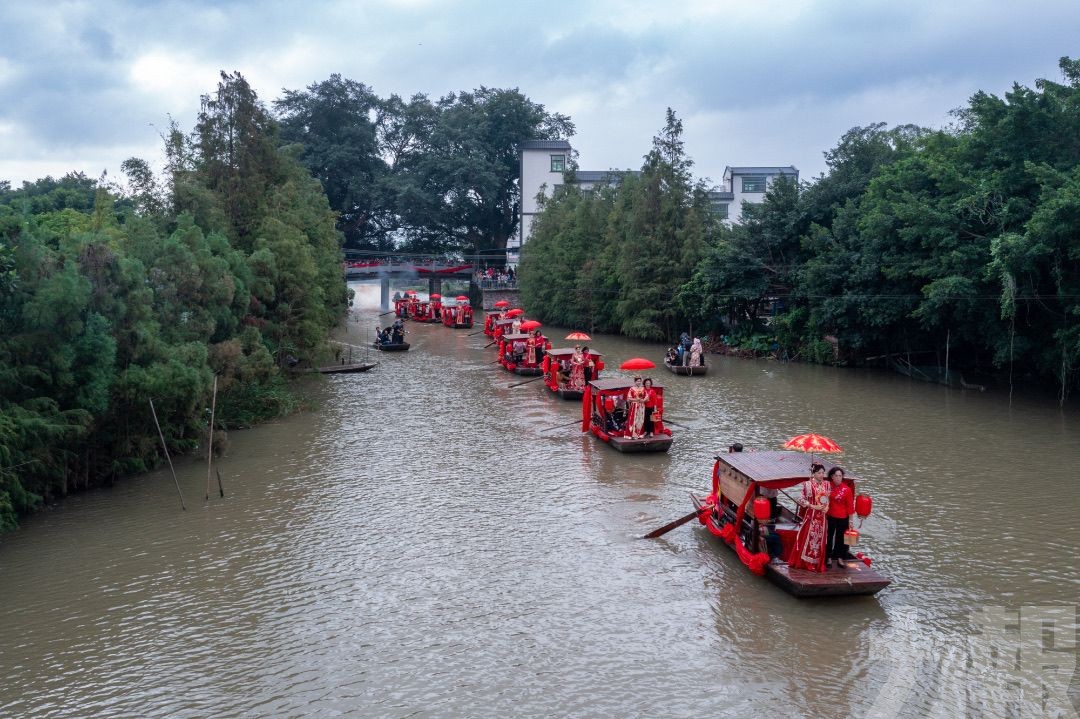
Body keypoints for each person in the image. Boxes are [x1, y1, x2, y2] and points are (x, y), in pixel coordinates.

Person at [785, 463, 830, 572]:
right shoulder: (808, 484)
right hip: (812, 514)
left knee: (820, 538)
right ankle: (806, 563)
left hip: (822, 517)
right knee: (809, 537)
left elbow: (828, 499)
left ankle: (817, 563)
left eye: (823, 473)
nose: (821, 475)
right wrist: (812, 505)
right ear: (813, 473)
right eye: (819, 473)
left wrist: (827, 507)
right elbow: (801, 499)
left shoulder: (827, 484)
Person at [825, 467, 856, 568]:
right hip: (830, 516)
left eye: (840, 476)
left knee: (840, 538)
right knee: (829, 537)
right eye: (836, 476)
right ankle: (828, 557)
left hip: (843, 517)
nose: (838, 478)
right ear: (832, 477)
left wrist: (851, 520)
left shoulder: (847, 489)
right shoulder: (827, 487)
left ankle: (839, 557)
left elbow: (850, 506)